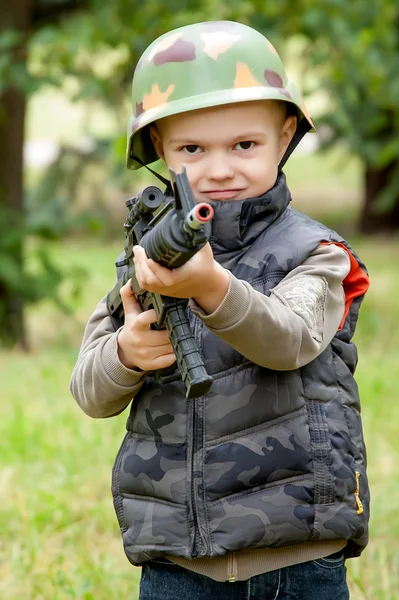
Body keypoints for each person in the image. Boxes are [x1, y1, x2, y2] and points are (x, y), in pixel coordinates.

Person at [70, 20, 370, 600]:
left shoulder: (316, 254)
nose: (220, 168)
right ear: (160, 148)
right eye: (191, 149)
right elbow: (88, 390)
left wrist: (211, 287)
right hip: (178, 559)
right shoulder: (146, 265)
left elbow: (290, 339)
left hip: (297, 552)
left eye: (244, 145)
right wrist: (126, 354)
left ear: (285, 138)